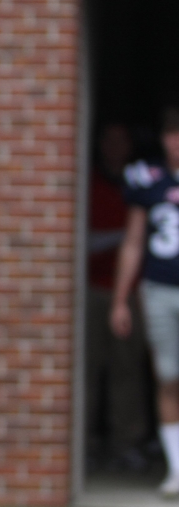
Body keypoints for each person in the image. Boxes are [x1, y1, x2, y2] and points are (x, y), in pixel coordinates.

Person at [112, 107, 179, 497]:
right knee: (169, 377)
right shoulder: (148, 179)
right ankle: (176, 468)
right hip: (158, 288)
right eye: (171, 134)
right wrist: (121, 299)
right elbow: (133, 242)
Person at [86, 123, 148, 471]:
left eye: (120, 140)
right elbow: (83, 239)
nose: (113, 146)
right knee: (89, 367)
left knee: (129, 368)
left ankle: (128, 441)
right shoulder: (88, 182)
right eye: (107, 140)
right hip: (94, 287)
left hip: (133, 291)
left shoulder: (141, 183)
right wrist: (127, 239)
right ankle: (87, 441)